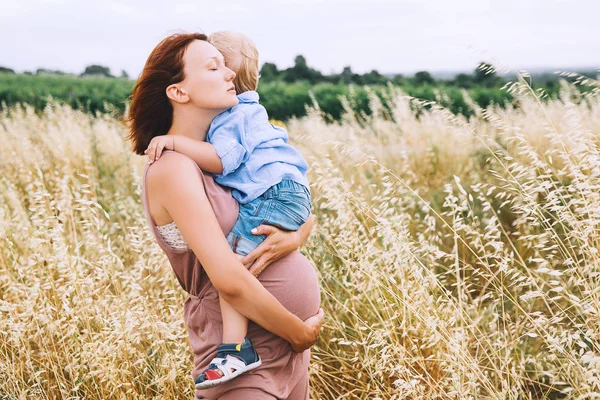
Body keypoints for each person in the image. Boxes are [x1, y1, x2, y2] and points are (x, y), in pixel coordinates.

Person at [127, 32, 324, 399]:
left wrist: (296, 237)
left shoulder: (229, 156)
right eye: (214, 67)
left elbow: (288, 198)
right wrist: (298, 333)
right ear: (179, 92)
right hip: (241, 360)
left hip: (285, 354)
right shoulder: (173, 168)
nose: (230, 74)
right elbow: (228, 279)